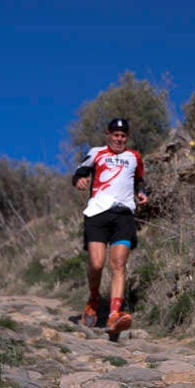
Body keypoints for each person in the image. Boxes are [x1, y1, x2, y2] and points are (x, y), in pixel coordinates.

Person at [71, 117, 148, 337]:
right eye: (116, 135)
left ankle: (114, 314)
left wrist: (141, 192)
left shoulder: (134, 157)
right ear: (108, 135)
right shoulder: (96, 153)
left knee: (118, 264)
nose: (119, 139)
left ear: (127, 137)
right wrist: (79, 180)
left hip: (123, 215)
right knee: (96, 264)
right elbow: (79, 172)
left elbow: (139, 180)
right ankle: (93, 299)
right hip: (97, 213)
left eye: (123, 136)